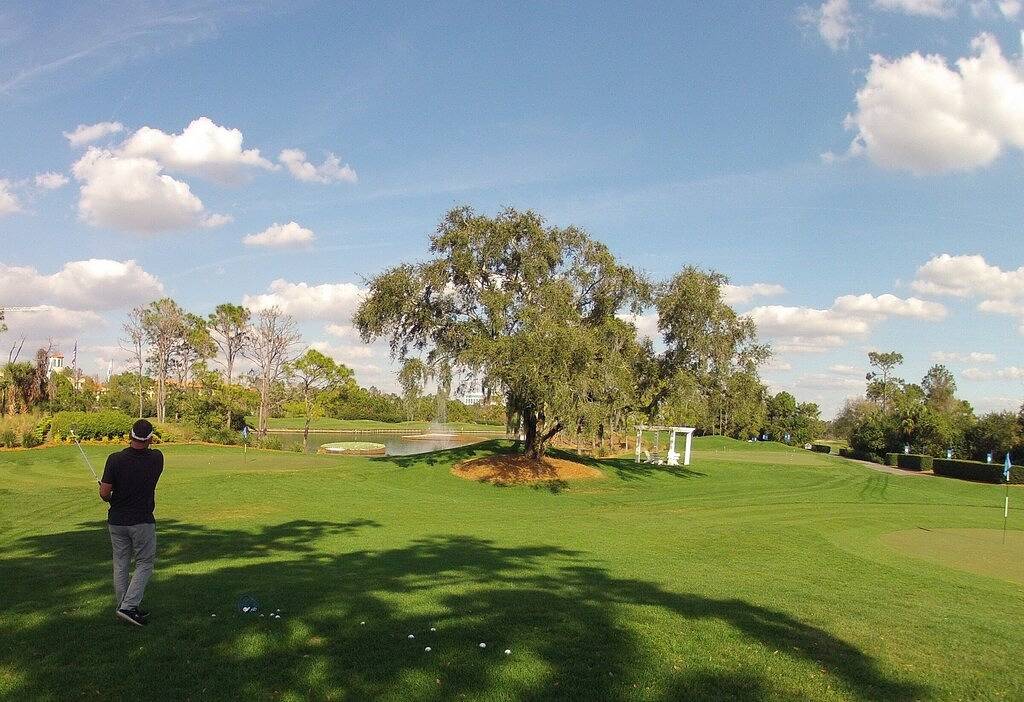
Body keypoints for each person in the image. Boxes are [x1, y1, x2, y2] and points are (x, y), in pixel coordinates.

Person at [99, 419, 164, 627]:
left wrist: (108, 493)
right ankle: (128, 607)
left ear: (130, 436)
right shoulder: (157, 458)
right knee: (144, 563)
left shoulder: (114, 459)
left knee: (121, 565)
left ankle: (124, 607)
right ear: (150, 439)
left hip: (117, 520)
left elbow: (104, 493)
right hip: (142, 521)